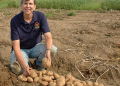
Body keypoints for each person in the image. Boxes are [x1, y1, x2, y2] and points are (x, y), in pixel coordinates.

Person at [10, 0, 57, 76]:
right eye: (25, 3)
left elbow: (48, 37)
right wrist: (24, 66)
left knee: (52, 49)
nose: (28, 6)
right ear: (21, 5)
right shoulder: (15, 21)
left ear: (34, 6)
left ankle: (38, 65)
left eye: (30, 4)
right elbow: (16, 47)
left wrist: (48, 51)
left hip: (35, 47)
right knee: (19, 70)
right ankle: (25, 64)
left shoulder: (40, 16)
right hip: (21, 50)